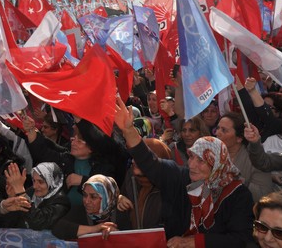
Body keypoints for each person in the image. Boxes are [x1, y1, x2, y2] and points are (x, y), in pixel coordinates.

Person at [114, 96, 254, 247]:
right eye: (191, 157)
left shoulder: (238, 194)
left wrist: (196, 242)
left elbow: (240, 240)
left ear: (216, 164)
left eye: (201, 161)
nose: (192, 164)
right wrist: (129, 131)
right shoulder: (183, 178)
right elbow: (150, 162)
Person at [117, 138, 172, 229]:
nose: (133, 161)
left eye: (139, 158)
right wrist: (119, 199)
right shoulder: (131, 177)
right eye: (133, 157)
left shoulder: (170, 185)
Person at [5, 162, 71, 230]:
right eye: (34, 180)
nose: (34, 186)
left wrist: (21, 193)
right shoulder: (31, 192)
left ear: (52, 182)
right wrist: (12, 198)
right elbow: (11, 223)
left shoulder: (61, 202)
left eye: (41, 182)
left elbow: (38, 223)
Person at [52, 174, 120, 240]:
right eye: (85, 195)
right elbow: (56, 226)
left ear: (107, 198)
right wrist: (95, 229)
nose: (87, 201)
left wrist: (117, 234)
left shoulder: (122, 212)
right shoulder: (79, 212)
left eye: (93, 197)